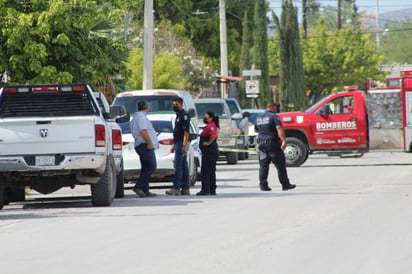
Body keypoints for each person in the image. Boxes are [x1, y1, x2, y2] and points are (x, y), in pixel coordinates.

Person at [254, 102, 296, 192]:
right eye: (276, 108)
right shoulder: (274, 116)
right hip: (272, 144)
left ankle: (263, 185)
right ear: (273, 108)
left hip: (261, 144)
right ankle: (285, 184)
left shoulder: (259, 117)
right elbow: (279, 128)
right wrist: (284, 140)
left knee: (263, 166)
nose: (277, 110)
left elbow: (256, 130)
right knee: (280, 165)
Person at [130, 101, 158, 198]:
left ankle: (145, 190)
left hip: (141, 144)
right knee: (151, 166)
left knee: (145, 168)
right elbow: (143, 130)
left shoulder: (136, 116)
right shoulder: (141, 117)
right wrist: (149, 142)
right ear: (147, 107)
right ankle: (138, 186)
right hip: (144, 144)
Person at [166, 97, 191, 196]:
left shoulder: (184, 116)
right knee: (184, 166)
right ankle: (185, 188)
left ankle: (176, 188)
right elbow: (177, 132)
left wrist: (184, 145)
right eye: (173, 105)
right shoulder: (178, 115)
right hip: (178, 143)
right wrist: (173, 145)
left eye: (177, 105)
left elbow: (186, 132)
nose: (175, 106)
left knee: (178, 166)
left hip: (181, 143)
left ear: (181, 104)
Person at [197, 112, 219, 196]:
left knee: (206, 171)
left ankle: (206, 189)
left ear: (211, 118)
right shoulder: (209, 126)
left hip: (210, 152)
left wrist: (208, 143)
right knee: (210, 171)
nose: (204, 119)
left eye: (206, 117)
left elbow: (213, 135)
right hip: (208, 152)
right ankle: (211, 189)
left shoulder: (211, 126)